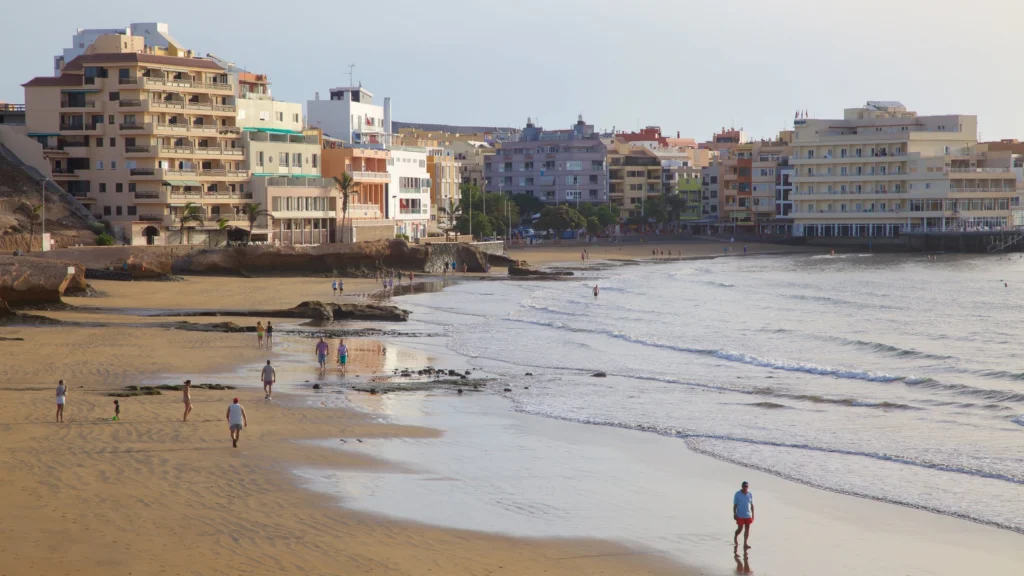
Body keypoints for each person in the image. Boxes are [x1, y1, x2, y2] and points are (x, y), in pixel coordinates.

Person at [733, 481, 755, 550]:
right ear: (742, 486)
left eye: (746, 486)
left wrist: (753, 514)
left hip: (748, 515)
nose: (745, 488)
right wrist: (734, 513)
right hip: (740, 515)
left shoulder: (750, 494)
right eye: (744, 486)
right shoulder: (737, 494)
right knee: (740, 529)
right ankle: (736, 536)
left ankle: (745, 543)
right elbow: (735, 505)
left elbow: (751, 505)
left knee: (747, 529)